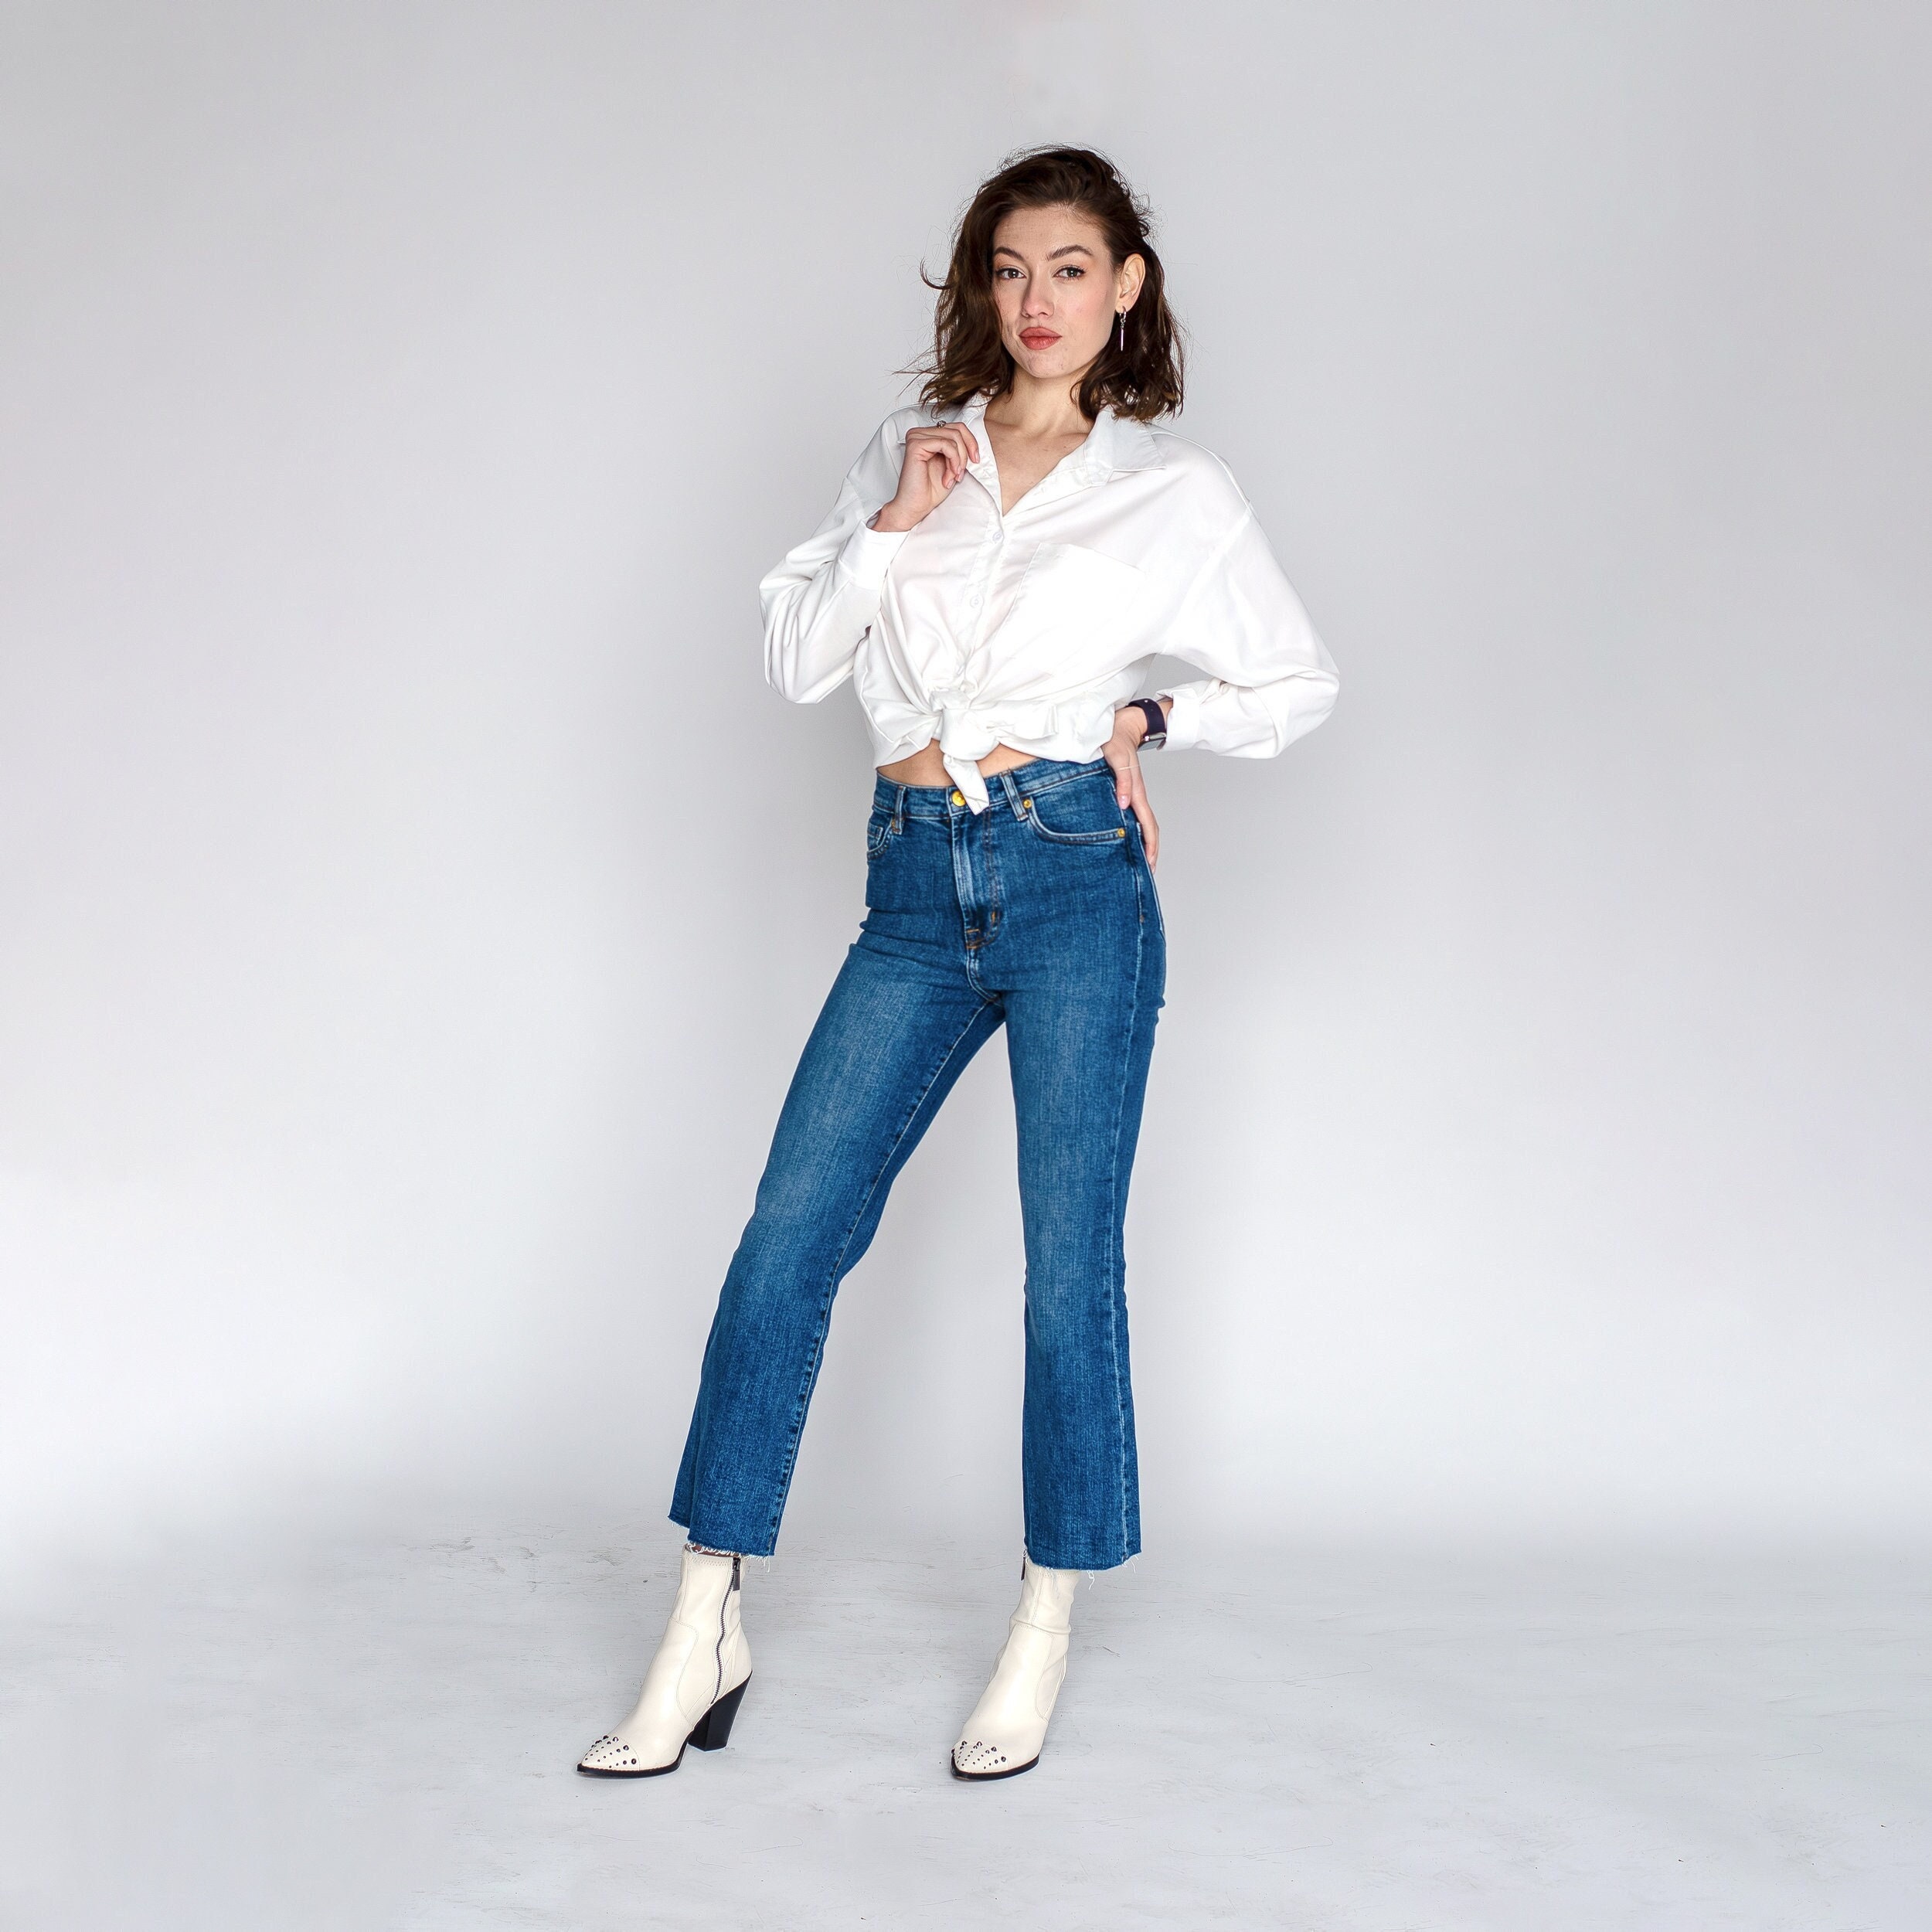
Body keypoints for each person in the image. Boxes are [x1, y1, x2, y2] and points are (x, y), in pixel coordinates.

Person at [577, 145, 1338, 1784]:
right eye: (1008, 268)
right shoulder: (907, 452)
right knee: (787, 1238)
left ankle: (1044, 1618)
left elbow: (1295, 680)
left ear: (1125, 285)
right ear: (979, 288)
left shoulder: (1173, 492)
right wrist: (892, 526)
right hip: (914, 887)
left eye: (1069, 268)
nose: (1036, 300)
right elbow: (798, 661)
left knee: (1067, 1269)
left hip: (1073, 881)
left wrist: (1149, 717)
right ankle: (704, 1619)